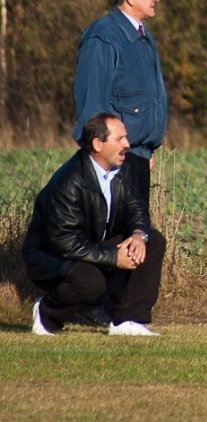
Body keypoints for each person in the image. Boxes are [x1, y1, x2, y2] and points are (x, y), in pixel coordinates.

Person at [23, 113, 166, 336]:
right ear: (98, 144)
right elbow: (64, 241)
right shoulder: (68, 181)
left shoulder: (124, 169)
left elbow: (137, 209)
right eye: (119, 139)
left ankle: (127, 320)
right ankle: (46, 313)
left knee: (153, 241)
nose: (127, 145)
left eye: (126, 138)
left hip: (91, 245)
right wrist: (112, 257)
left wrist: (139, 236)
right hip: (51, 255)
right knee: (91, 283)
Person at [73, 0, 168, 208]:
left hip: (137, 157)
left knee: (136, 236)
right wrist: (103, 159)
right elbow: (92, 105)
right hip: (114, 161)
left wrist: (147, 150)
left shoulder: (144, 38)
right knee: (114, 239)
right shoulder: (102, 37)